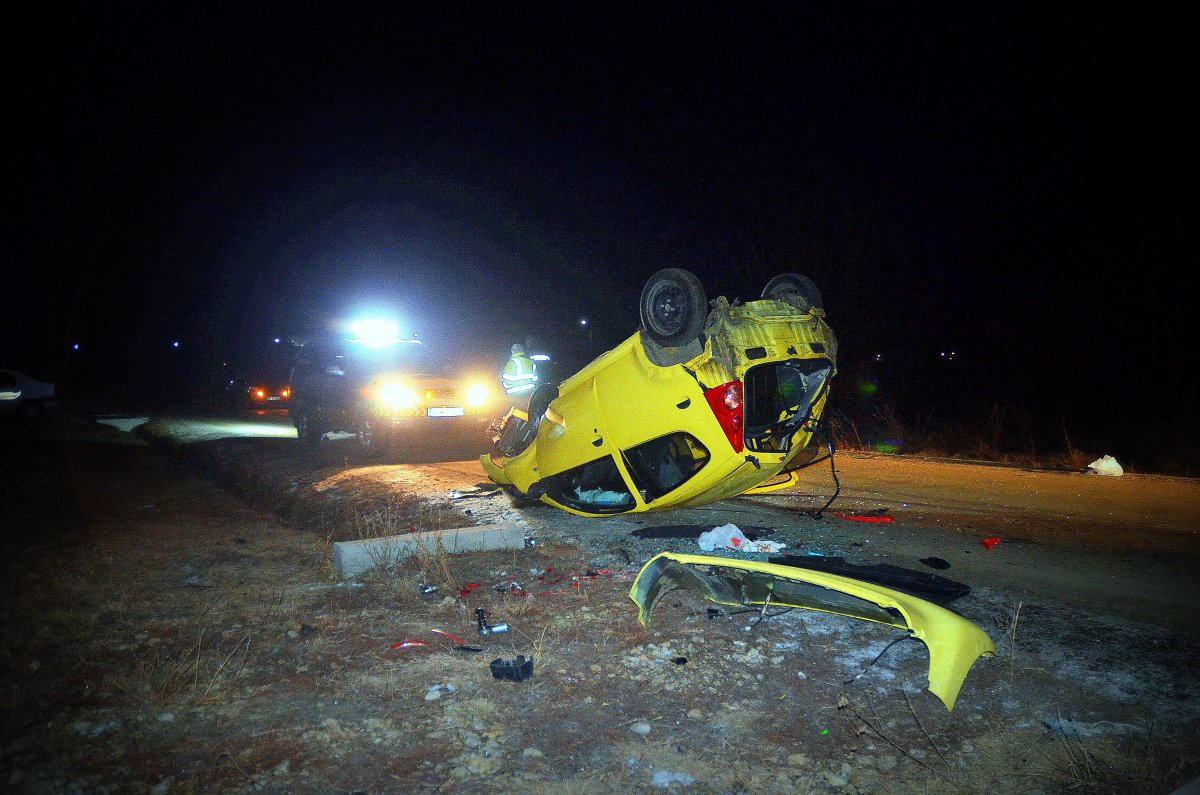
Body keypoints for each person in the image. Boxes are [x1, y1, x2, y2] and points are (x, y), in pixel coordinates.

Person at [501, 343, 538, 409]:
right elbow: (535, 378)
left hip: (515, 396)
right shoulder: (531, 362)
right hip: (530, 393)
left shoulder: (512, 362)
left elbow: (506, 382)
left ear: (512, 351)